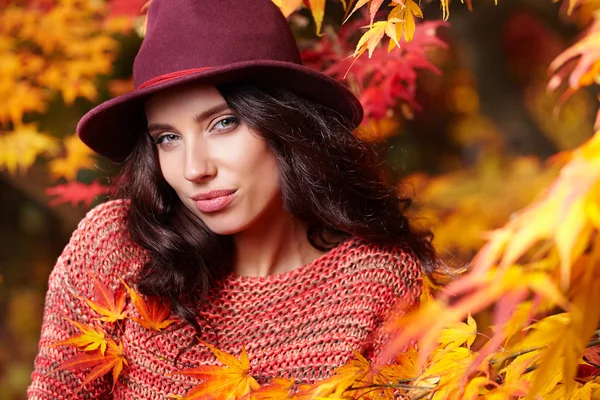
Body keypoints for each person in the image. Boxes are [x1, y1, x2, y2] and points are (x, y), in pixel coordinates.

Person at [27, 0, 439, 398]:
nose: (194, 169)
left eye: (223, 124)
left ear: (286, 122)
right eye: (167, 138)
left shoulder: (377, 282)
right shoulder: (118, 248)